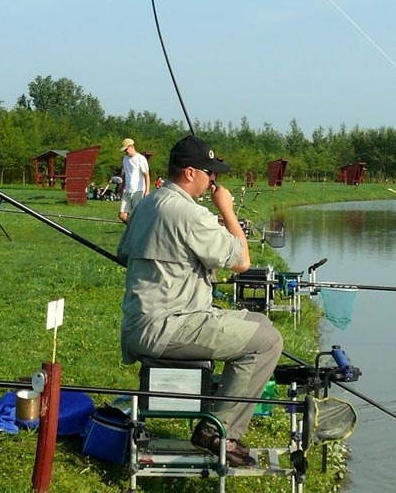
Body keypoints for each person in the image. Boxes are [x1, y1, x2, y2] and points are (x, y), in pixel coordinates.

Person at [117, 135, 283, 467]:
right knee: (267, 342)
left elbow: (125, 253)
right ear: (190, 173)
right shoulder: (189, 214)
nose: (213, 181)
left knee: (258, 325)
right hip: (169, 326)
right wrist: (227, 210)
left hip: (140, 324)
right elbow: (242, 261)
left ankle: (219, 417)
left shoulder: (147, 204)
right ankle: (218, 430)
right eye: (209, 173)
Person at [118, 138, 150, 224]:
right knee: (122, 215)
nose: (126, 152)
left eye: (126, 149)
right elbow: (125, 174)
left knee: (138, 215)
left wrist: (147, 191)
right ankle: (133, 229)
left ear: (132, 146)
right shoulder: (125, 159)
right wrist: (122, 187)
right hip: (127, 191)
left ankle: (138, 230)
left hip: (138, 191)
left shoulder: (141, 159)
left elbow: (146, 175)